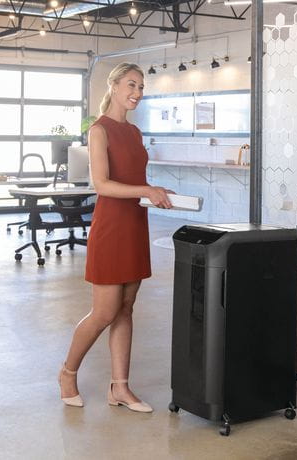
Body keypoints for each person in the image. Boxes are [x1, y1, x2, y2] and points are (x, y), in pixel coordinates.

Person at [58, 63, 173, 413]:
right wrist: (146, 190)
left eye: (141, 87)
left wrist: (154, 191)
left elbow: (134, 178)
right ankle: (67, 372)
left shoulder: (134, 132)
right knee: (104, 311)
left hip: (135, 223)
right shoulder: (99, 130)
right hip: (111, 227)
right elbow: (103, 185)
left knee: (125, 308)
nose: (137, 92)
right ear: (114, 85)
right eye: (131, 85)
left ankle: (119, 388)